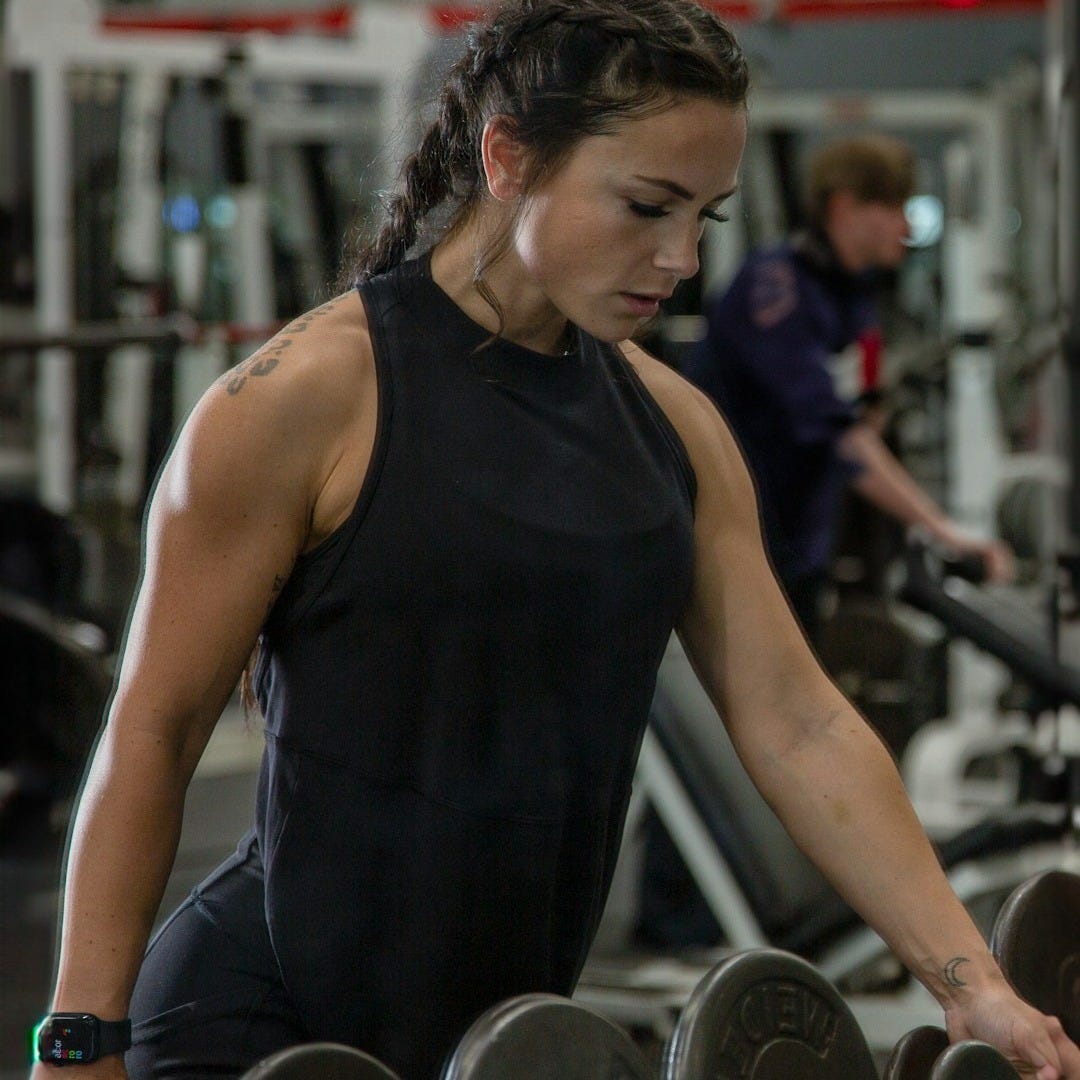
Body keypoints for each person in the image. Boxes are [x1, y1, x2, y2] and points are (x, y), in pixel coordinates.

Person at [29, 4, 1077, 1079]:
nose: (677, 258)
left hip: (515, 1042)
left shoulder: (674, 427)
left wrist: (972, 984)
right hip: (267, 1028)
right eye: (644, 206)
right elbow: (153, 732)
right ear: (507, 156)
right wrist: (77, 1037)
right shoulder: (302, 400)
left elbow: (799, 722)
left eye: (705, 220)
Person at [682, 133, 1013, 643]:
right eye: (894, 208)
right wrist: (944, 531)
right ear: (844, 207)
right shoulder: (776, 291)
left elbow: (864, 407)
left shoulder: (855, 293)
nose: (905, 227)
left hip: (800, 545)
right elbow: (840, 435)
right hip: (735, 547)